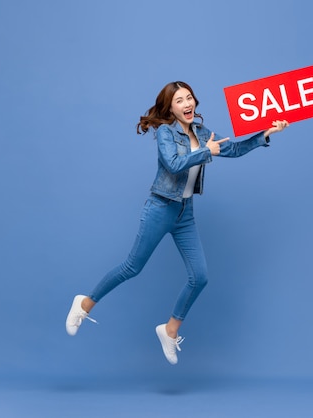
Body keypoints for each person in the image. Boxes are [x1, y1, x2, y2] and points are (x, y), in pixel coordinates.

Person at [66, 81, 289, 365]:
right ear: (170, 107)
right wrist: (207, 152)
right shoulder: (165, 133)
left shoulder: (203, 133)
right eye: (180, 100)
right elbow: (173, 163)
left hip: (185, 213)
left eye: (190, 98)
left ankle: (170, 330)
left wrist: (265, 134)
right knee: (132, 267)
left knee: (200, 277)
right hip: (160, 207)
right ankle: (84, 304)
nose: (187, 104)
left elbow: (231, 149)